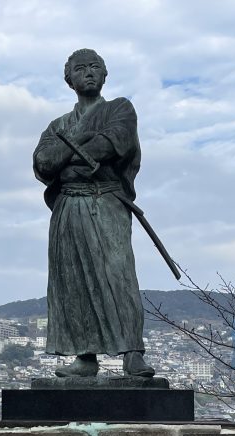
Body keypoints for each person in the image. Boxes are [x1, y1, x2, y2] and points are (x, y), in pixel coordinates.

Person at [33, 49, 154, 378]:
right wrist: (84, 144)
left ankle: (133, 353)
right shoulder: (57, 125)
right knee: (71, 282)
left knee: (119, 275)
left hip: (106, 202)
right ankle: (85, 357)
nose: (88, 73)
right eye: (80, 68)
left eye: (95, 67)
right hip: (68, 208)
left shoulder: (120, 109)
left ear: (105, 74)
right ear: (68, 78)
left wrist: (72, 148)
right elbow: (43, 164)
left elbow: (114, 143)